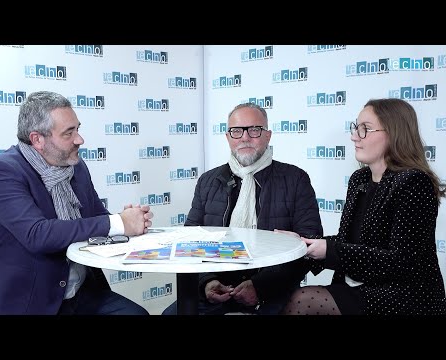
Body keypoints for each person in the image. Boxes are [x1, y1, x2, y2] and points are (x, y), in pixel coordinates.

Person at [0, 91, 154, 315]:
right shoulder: (3, 171)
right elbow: (37, 235)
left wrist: (128, 220)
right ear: (37, 139)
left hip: (82, 294)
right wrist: (117, 223)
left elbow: (97, 218)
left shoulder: (76, 166)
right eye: (69, 133)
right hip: (28, 302)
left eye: (78, 129)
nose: (80, 139)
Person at [281, 98, 446, 315]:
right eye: (355, 128)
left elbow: (401, 262)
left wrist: (328, 251)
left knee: (303, 300)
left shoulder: (414, 182)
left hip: (403, 296)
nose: (354, 137)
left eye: (365, 129)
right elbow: (349, 241)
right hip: (358, 287)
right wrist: (304, 245)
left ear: (394, 132)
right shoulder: (359, 179)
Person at [163, 102, 323, 315]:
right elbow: (190, 240)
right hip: (217, 288)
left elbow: (308, 245)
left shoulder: (295, 179)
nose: (245, 137)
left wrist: (260, 287)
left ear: (268, 136)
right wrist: (207, 282)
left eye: (254, 130)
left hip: (273, 290)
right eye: (236, 131)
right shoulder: (207, 181)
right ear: (228, 137)